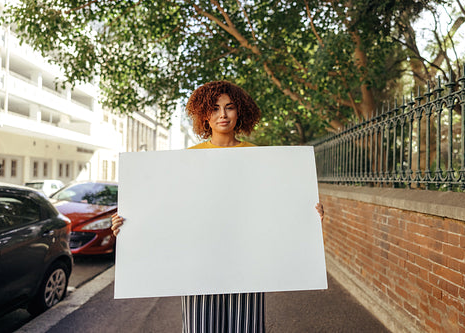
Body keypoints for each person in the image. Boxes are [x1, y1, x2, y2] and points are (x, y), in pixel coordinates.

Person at [111, 81, 324, 333]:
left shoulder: (258, 156)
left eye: (229, 107)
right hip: (199, 265)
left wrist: (308, 215)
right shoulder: (188, 158)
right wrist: (129, 225)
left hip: (247, 263)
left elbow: (272, 208)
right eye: (214, 108)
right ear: (204, 115)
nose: (222, 114)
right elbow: (170, 212)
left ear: (239, 112)